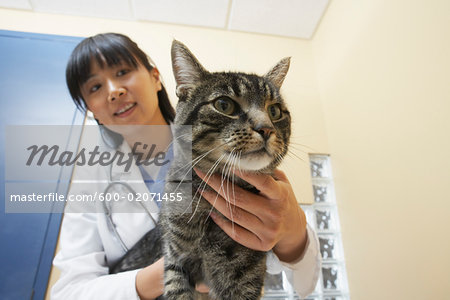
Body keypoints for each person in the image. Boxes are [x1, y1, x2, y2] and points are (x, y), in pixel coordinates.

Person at [51, 33, 321, 300]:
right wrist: (170, 273)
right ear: (89, 108)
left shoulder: (246, 156)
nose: (114, 91)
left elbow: (305, 281)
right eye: (95, 87)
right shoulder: (90, 177)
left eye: (122, 71)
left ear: (156, 77)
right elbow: (69, 292)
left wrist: (294, 235)